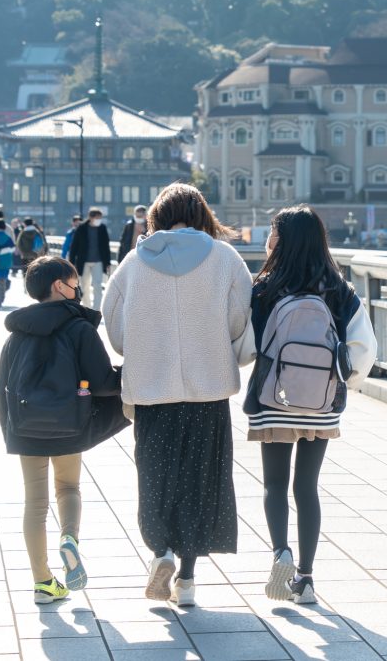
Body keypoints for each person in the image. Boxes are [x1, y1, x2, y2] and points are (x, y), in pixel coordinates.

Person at [103, 183, 253, 607]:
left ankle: (160, 551)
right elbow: (243, 318)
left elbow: (113, 323)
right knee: (201, 481)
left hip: (152, 390)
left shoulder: (134, 262)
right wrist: (225, 353)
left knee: (155, 475)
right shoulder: (224, 258)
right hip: (208, 391)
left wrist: (137, 351)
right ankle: (186, 581)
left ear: (157, 216)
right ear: (201, 213)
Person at [245, 205, 377, 605]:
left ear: (281, 240)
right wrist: (343, 382)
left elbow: (246, 345)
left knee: (273, 484)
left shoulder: (264, 288)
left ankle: (280, 552)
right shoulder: (340, 290)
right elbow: (364, 350)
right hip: (322, 403)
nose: (268, 239)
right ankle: (305, 579)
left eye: (272, 232)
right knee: (307, 486)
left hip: (273, 400)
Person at [0, 256, 124, 604]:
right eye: (73, 280)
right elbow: (102, 384)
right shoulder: (78, 327)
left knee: (34, 503)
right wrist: (127, 375)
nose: (77, 286)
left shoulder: (17, 331)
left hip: (25, 426)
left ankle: (43, 582)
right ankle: (69, 538)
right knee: (68, 487)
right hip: (70, 423)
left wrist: (10, 430)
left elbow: (2, 386)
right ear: (59, 286)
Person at [68, 208, 111, 308]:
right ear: (91, 217)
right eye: (97, 218)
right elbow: (74, 246)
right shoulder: (81, 228)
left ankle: (96, 310)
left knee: (97, 286)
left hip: (99, 261)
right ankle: (87, 307)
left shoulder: (102, 228)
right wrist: (71, 262)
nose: (99, 220)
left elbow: (106, 246)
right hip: (84, 262)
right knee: (84, 286)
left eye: (100, 218)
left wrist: (107, 262)